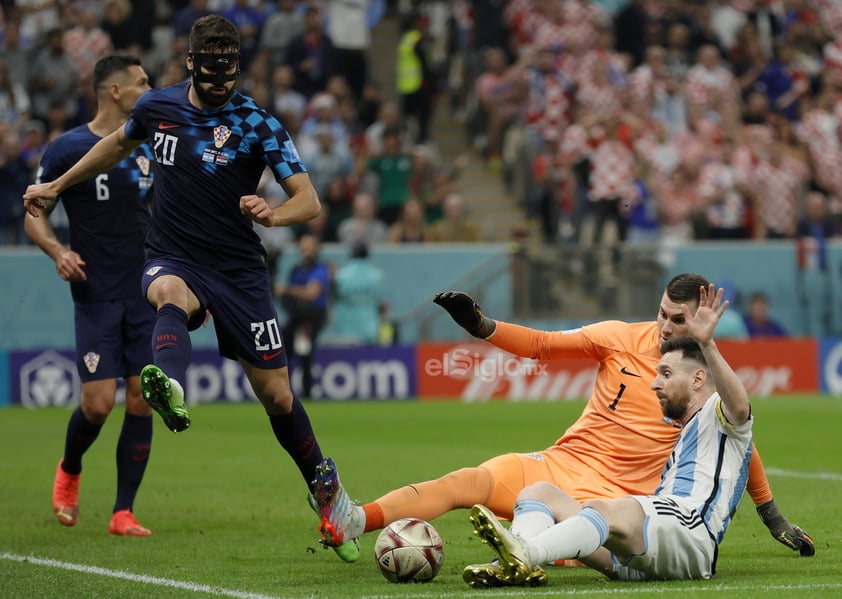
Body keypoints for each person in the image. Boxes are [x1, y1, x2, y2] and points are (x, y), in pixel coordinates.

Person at [22, 16, 359, 562]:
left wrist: (272, 215)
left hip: (240, 272)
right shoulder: (157, 108)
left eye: (231, 71)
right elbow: (113, 146)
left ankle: (326, 490)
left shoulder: (258, 123)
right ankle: (170, 388)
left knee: (276, 394)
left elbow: (310, 200)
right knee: (168, 295)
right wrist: (57, 185)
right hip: (172, 256)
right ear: (192, 64)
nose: (222, 82)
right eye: (212, 71)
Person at [310, 273, 814, 564]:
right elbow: (544, 345)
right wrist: (481, 326)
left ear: (703, 321)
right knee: (471, 480)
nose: (664, 325)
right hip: (562, 463)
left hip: (614, 498)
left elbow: (739, 446)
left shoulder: (702, 380)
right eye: (661, 312)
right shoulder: (617, 336)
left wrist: (772, 517)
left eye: (677, 320)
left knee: (567, 541)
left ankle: (536, 552)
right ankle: (357, 519)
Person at [464, 284, 752, 585]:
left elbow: (740, 407)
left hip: (690, 534)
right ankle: (516, 562)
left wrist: (707, 344)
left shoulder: (720, 413)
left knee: (606, 508)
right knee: (539, 492)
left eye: (665, 374)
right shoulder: (677, 431)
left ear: (698, 379)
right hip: (644, 550)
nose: (654, 385)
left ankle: (525, 552)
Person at [23, 55, 155, 536]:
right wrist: (58, 250)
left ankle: (123, 511)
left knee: (142, 397)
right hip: (95, 290)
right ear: (114, 91)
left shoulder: (149, 145)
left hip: (144, 288)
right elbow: (33, 211)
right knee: (98, 403)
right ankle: (71, 469)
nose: (150, 88)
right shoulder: (68, 148)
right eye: (142, 82)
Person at [275, 233, 331, 399]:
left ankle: (307, 392)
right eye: (304, 246)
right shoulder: (296, 270)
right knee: (284, 354)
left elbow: (311, 294)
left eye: (310, 246)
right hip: (295, 317)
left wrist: (287, 290)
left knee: (305, 355)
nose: (306, 250)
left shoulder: (320, 270)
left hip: (310, 319)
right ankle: (286, 392)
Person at [330, 242, 383, 345]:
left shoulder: (340, 275)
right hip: (370, 327)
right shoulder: (377, 275)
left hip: (345, 328)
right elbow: (379, 301)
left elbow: (333, 300)